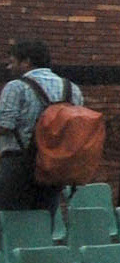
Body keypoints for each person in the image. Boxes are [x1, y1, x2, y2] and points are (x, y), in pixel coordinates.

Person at [0, 41, 80, 213]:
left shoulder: (16, 87)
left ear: (26, 62)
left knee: (11, 220)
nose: (8, 67)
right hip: (55, 165)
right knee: (44, 218)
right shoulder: (72, 89)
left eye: (12, 61)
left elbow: (5, 126)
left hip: (18, 163)